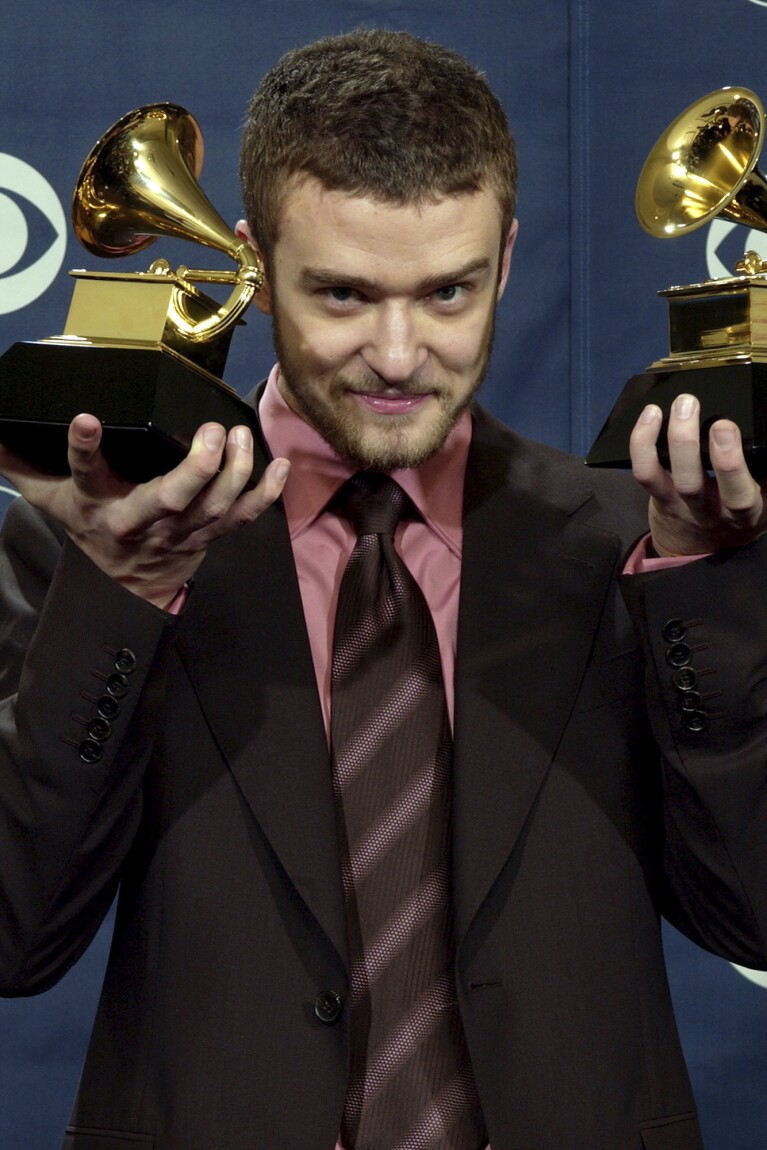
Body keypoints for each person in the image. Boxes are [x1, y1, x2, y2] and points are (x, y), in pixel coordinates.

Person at [1, 27, 767, 1150]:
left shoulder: (630, 545)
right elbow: (15, 939)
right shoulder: (101, 543)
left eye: (448, 292)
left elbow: (745, 906)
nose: (399, 354)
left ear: (505, 261)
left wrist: (699, 579)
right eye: (344, 295)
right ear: (255, 265)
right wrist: (125, 587)